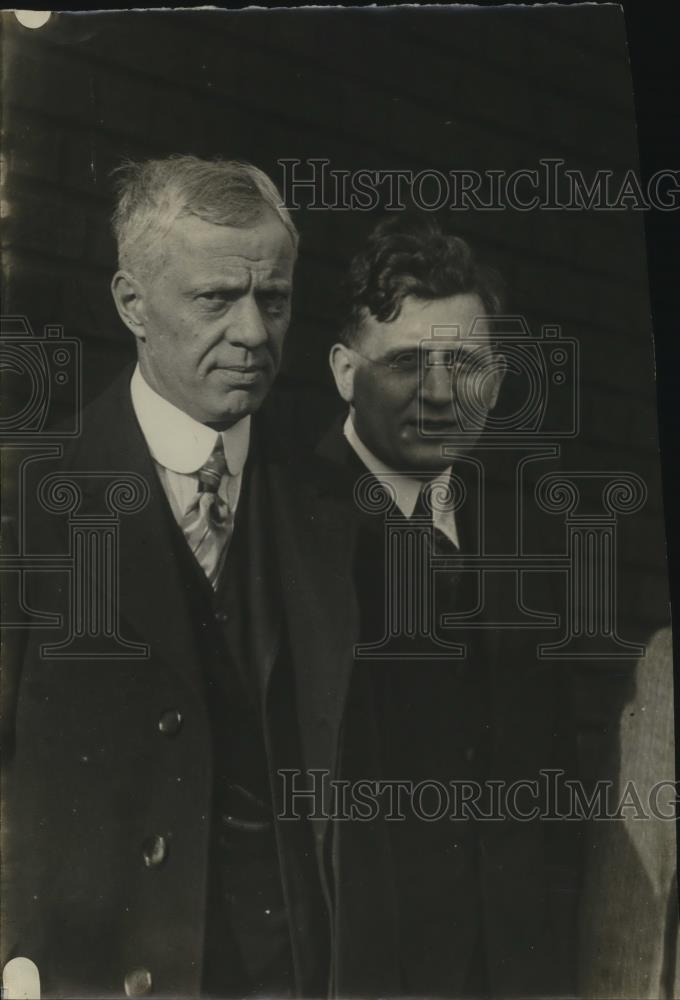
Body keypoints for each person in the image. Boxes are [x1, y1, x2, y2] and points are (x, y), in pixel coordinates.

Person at [0, 156, 401, 999]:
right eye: (217, 299)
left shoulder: (336, 508)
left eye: (275, 299)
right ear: (132, 305)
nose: (255, 333)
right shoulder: (29, 502)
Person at [319, 213, 583, 998]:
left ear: (497, 382)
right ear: (343, 371)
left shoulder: (526, 543)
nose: (439, 396)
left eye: (464, 365)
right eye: (406, 363)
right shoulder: (288, 519)